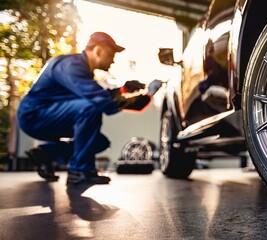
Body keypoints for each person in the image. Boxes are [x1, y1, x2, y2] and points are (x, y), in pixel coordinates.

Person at [17, 32, 162, 185]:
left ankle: (46, 153)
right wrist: (148, 95)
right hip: (34, 117)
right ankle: (79, 171)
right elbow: (101, 101)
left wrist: (124, 89)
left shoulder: (82, 70)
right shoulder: (71, 66)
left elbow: (98, 94)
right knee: (90, 108)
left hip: (48, 116)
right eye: (111, 54)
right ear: (98, 50)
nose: (113, 60)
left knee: (99, 142)